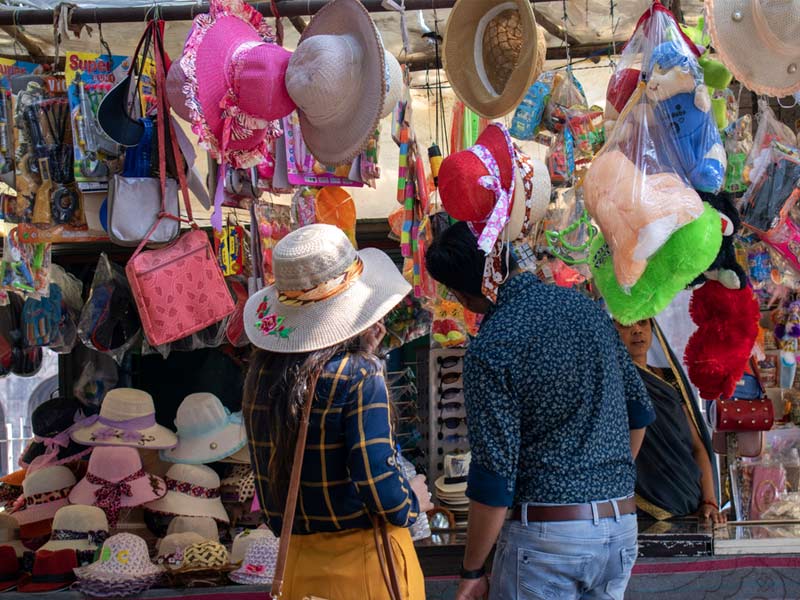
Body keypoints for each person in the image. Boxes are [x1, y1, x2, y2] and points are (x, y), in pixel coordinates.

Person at [425, 222, 656, 600]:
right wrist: (604, 484)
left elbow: (495, 476)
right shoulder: (587, 311)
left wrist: (472, 569)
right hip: (620, 529)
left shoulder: (492, 347)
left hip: (549, 541)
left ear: (464, 295)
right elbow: (639, 414)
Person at [242, 224, 433, 600]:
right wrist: (412, 499)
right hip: (364, 567)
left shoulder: (260, 377)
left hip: (296, 566)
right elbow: (379, 486)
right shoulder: (361, 376)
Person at [614, 318, 725, 524]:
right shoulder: (612, 382)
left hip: (689, 499)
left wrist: (709, 501)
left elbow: (697, 447)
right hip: (639, 506)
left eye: (643, 323)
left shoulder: (668, 379)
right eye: (625, 325)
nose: (637, 331)